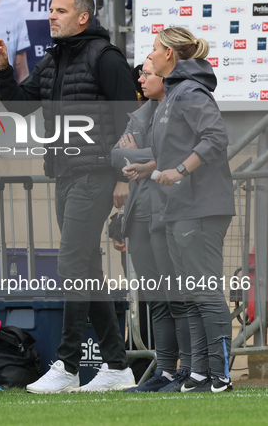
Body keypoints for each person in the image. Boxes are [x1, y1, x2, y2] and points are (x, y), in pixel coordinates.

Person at [0, 0, 137, 393]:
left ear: (83, 17)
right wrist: (3, 69)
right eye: (51, 10)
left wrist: (124, 177)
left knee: (72, 265)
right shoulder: (52, 60)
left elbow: (132, 119)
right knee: (87, 269)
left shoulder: (105, 58)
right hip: (65, 175)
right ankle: (117, 367)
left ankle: (68, 366)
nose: (52, 16)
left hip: (97, 175)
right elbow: (20, 107)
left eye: (60, 10)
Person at [124, 27, 235, 393]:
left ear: (170, 54)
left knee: (203, 291)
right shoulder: (170, 96)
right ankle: (199, 373)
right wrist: (148, 167)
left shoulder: (190, 91)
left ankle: (219, 376)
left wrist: (182, 170)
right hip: (177, 208)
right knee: (189, 294)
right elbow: (174, 150)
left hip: (200, 208)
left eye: (154, 50)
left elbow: (216, 137)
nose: (149, 57)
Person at [111, 59, 192, 393]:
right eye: (141, 74)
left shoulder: (177, 108)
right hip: (140, 216)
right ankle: (166, 370)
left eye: (147, 73)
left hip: (168, 212)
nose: (141, 80)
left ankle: (188, 370)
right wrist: (141, 157)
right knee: (156, 299)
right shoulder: (140, 115)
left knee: (178, 297)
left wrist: (141, 157)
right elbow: (117, 156)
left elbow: (173, 154)